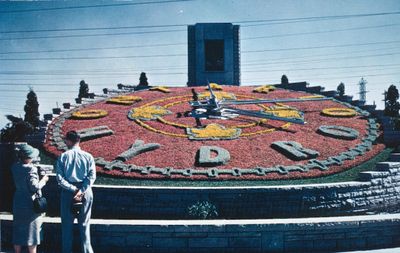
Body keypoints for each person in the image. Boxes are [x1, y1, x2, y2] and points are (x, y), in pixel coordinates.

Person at [56, 131, 96, 253]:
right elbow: (92, 176)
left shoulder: (63, 156)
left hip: (68, 192)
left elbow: (59, 178)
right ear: (79, 141)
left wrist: (74, 190)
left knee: (67, 226)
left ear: (69, 141)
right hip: (85, 193)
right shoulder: (88, 156)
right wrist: (81, 190)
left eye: (65, 140)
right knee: (84, 225)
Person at [12, 144, 49, 253]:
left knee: (18, 231)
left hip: (18, 201)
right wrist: (44, 180)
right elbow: (34, 187)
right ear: (28, 157)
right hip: (30, 204)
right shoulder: (31, 169)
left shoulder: (14, 167)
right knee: (32, 232)